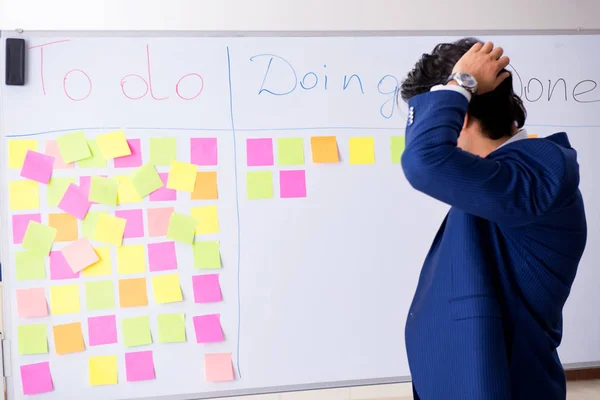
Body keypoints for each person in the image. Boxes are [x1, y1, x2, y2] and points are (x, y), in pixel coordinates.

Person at [399, 38, 587, 400]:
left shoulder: (536, 177)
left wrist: (461, 83)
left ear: (461, 117)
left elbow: (423, 161)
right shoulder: (501, 180)